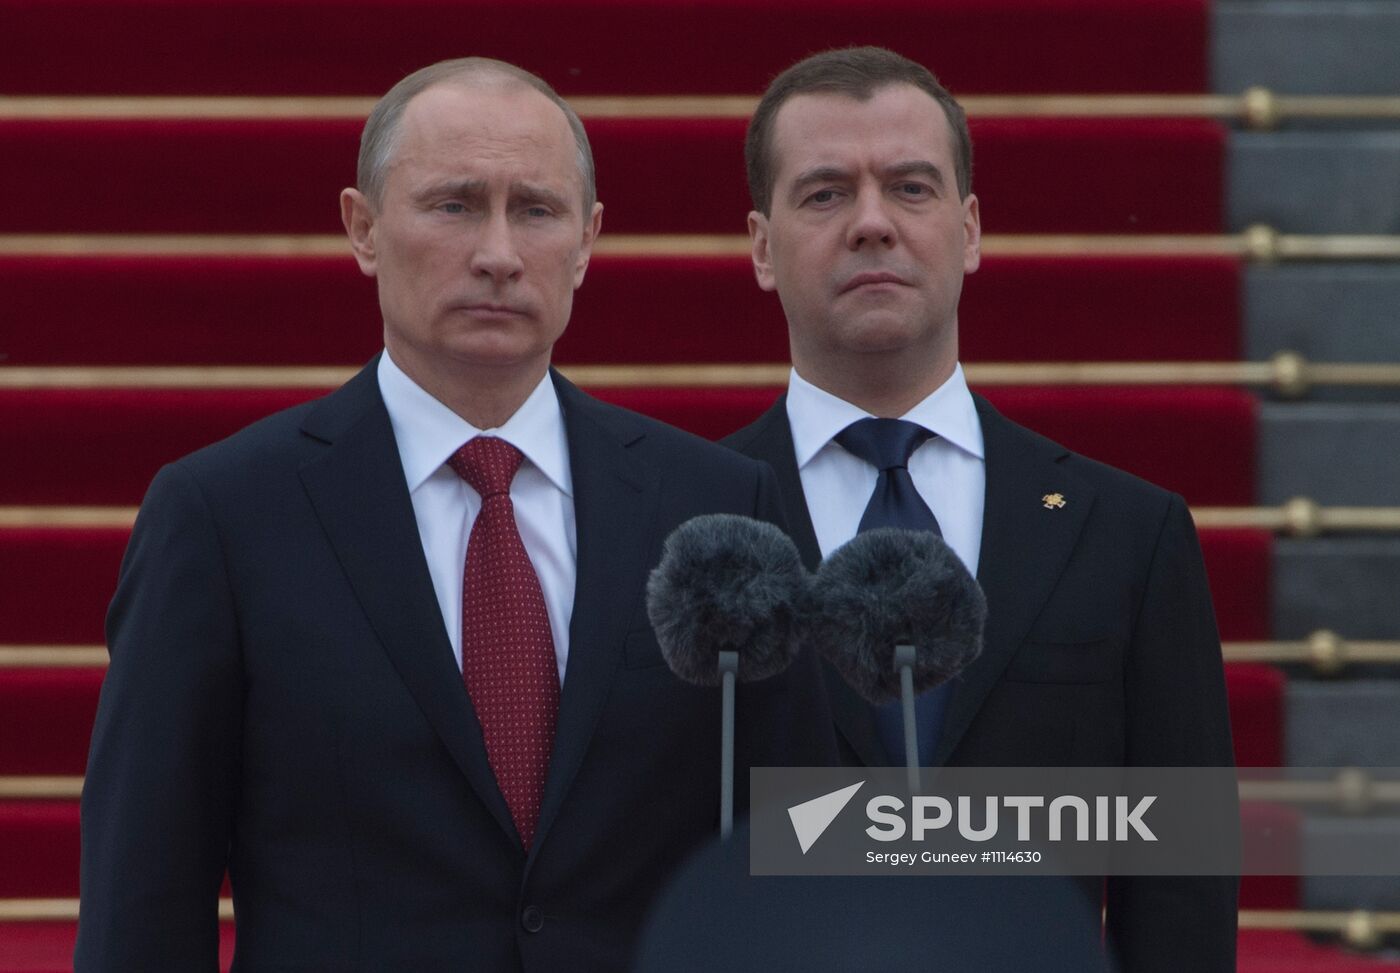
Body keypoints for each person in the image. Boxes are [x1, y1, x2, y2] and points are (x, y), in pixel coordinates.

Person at [76, 57, 836, 971]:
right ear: (362, 227)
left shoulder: (715, 507)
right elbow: (144, 895)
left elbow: (798, 857)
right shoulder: (223, 516)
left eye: (538, 210)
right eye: (455, 205)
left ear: (588, 241)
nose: (499, 253)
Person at [722, 47, 1237, 972]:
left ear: (970, 230)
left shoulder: (1127, 533)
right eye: (826, 193)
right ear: (762, 246)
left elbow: (1182, 887)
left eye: (910, 188)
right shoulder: (687, 530)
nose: (873, 223)